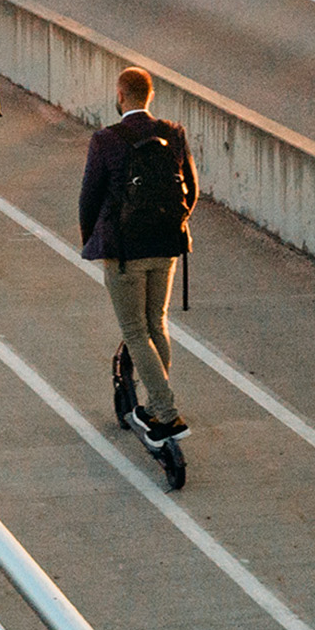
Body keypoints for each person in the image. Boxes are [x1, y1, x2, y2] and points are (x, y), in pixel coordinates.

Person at [79, 66, 198, 442]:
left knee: (133, 330)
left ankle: (165, 412)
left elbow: (89, 197)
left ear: (120, 95)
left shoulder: (106, 140)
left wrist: (94, 240)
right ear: (149, 96)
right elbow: (190, 191)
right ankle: (152, 404)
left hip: (125, 250)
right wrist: (172, 227)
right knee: (155, 323)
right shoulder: (173, 134)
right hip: (166, 246)